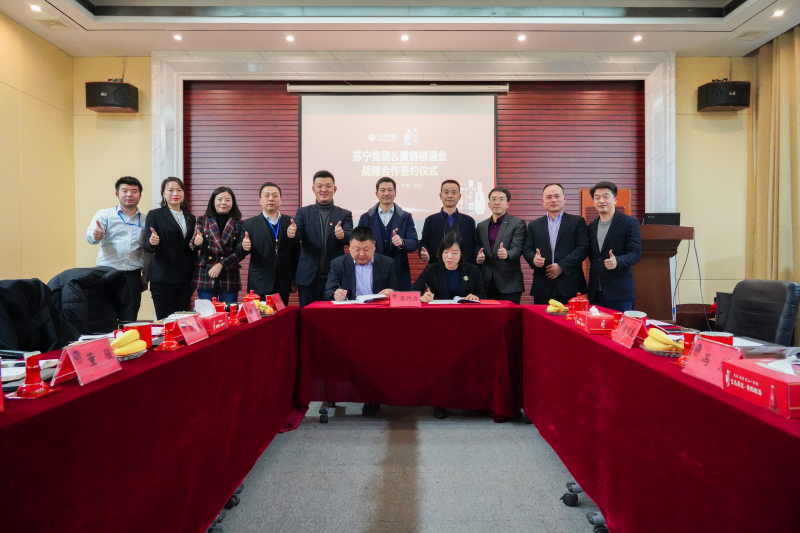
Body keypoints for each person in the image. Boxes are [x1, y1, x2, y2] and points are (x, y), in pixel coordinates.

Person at [412, 232, 485, 420]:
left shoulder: (472, 270)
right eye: (446, 252)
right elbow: (413, 291)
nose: (449, 257)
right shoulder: (432, 269)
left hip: (465, 325)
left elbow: (483, 295)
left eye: (454, 252)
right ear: (440, 253)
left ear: (462, 254)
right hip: (440, 326)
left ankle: (469, 400)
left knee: (467, 363)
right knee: (442, 364)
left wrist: (475, 297)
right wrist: (422, 297)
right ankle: (441, 403)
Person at [288, 170, 353, 307]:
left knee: (333, 315)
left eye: (328, 186)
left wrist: (343, 235)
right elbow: (297, 236)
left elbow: (350, 236)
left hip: (334, 276)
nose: (324, 189)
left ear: (334, 189)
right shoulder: (303, 212)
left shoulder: (345, 214)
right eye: (319, 186)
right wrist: (292, 234)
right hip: (308, 276)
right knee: (308, 314)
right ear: (313, 189)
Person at [86, 176, 146, 322]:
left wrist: (145, 278)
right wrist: (96, 235)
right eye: (124, 190)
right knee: (105, 317)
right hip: (108, 273)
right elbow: (90, 238)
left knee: (129, 319)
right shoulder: (105, 214)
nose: (129, 194)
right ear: (117, 194)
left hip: (133, 276)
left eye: (134, 191)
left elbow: (147, 249)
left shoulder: (145, 219)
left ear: (140, 195)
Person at [523, 183, 590, 305]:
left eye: (557, 196)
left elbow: (583, 248)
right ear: (543, 201)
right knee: (541, 317)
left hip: (570, 284)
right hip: (542, 285)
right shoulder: (534, 225)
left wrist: (561, 266)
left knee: (570, 317)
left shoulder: (577, 222)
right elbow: (527, 248)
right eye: (549, 197)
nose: (553, 200)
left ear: (564, 198)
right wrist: (534, 259)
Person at [141, 177, 196, 319]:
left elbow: (190, 247)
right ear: (163, 194)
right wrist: (152, 242)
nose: (175, 193)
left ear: (183, 193)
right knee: (165, 320)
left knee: (182, 320)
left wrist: (198, 243)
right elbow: (147, 245)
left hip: (185, 278)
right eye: (170, 190)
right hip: (163, 277)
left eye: (179, 190)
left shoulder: (190, 218)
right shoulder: (155, 215)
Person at [239, 182, 299, 306]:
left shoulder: (290, 222)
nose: (271, 198)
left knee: (282, 316)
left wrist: (294, 237)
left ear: (280, 200)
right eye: (267, 195)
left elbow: (296, 251)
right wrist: (243, 247)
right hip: (260, 282)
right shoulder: (249, 224)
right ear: (260, 201)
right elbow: (239, 251)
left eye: (275, 196)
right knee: (260, 316)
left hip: (283, 282)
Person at [586, 181, 642, 312]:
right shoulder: (591, 227)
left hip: (620, 293)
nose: (601, 200)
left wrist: (618, 261)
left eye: (606, 196)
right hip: (595, 293)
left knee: (620, 326)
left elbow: (635, 253)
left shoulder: (629, 222)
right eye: (597, 197)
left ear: (615, 199)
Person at [357, 177, 419, 290]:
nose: (386, 193)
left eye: (390, 190)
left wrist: (402, 242)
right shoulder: (366, 218)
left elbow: (414, 243)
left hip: (399, 272)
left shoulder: (405, 217)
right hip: (372, 272)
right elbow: (358, 243)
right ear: (376, 194)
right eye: (383, 190)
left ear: (395, 193)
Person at [190, 187, 246, 305]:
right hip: (206, 274)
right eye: (219, 199)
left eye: (227, 200)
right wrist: (196, 242)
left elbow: (241, 252)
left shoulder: (239, 223)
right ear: (213, 201)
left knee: (229, 312)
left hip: (229, 274)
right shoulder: (202, 220)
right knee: (207, 313)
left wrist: (221, 265)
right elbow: (193, 245)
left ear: (233, 202)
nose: (223, 203)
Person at [474, 187, 526, 304]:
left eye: (501, 199)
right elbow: (477, 245)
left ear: (507, 204)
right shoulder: (481, 226)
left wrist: (507, 254)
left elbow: (518, 248)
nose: (497, 202)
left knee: (510, 315)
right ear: (489, 204)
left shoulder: (517, 223)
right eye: (493, 199)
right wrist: (478, 255)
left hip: (510, 282)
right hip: (486, 281)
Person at [324, 226, 399, 301]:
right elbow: (328, 292)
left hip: (377, 306)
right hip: (350, 307)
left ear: (374, 246)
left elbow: (396, 290)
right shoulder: (338, 264)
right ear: (350, 246)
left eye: (366, 249)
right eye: (357, 250)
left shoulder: (387, 263)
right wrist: (335, 295)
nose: (362, 254)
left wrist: (392, 292)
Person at [419, 180, 477, 265]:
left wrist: (478, 254)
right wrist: (423, 252)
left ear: (459, 196)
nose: (450, 196)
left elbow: (475, 244)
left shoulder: (469, 221)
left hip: (464, 268)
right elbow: (424, 243)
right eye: (446, 192)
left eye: (454, 193)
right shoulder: (430, 220)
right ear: (440, 195)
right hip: (437, 267)